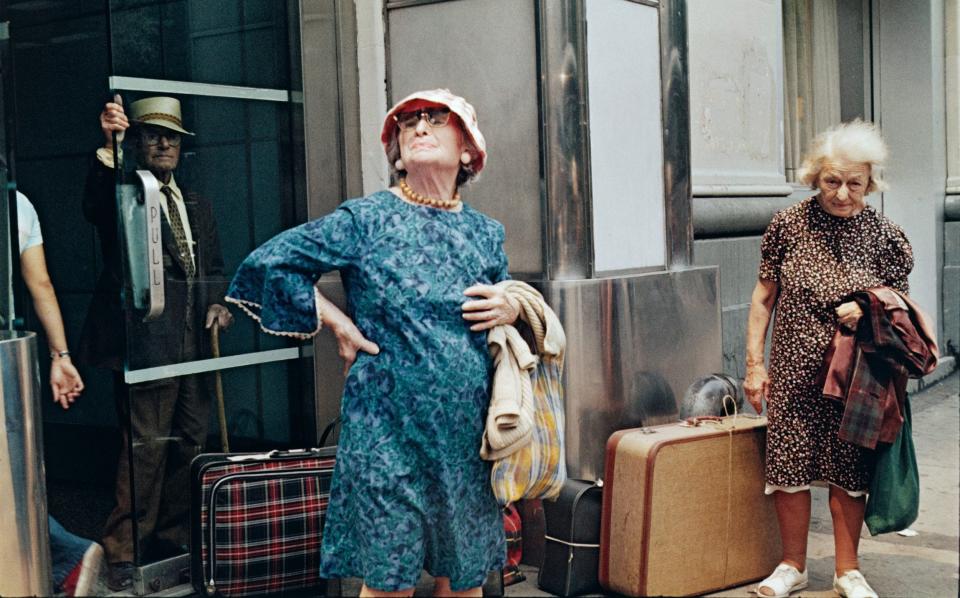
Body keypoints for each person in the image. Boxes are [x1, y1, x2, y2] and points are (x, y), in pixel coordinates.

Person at [226, 89, 518, 597]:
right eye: (407, 123)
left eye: (436, 118)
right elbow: (270, 263)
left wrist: (512, 305)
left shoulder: (485, 233)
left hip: (465, 436)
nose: (419, 127)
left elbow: (505, 315)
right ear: (397, 154)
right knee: (389, 582)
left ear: (469, 150)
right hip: (386, 433)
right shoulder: (366, 219)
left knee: (466, 578)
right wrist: (336, 320)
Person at [743, 120, 913, 598]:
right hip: (794, 369)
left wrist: (868, 305)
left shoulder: (886, 235)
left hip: (859, 374)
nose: (842, 193)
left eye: (854, 183)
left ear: (870, 183)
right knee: (789, 465)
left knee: (849, 466)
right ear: (815, 176)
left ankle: (847, 571)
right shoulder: (789, 225)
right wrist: (755, 365)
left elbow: (899, 302)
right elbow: (762, 298)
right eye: (831, 181)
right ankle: (792, 566)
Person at [78, 96, 233, 590]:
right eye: (153, 135)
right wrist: (109, 147)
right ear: (138, 143)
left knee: (190, 442)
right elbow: (95, 207)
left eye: (172, 137)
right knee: (143, 449)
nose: (164, 144)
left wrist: (220, 305)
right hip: (146, 342)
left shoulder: (196, 202)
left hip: (193, 344)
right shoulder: (126, 192)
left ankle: (170, 539)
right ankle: (123, 550)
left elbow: (210, 269)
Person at [13, 187, 102, 596]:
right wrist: (60, 354)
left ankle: (64, 554)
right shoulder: (18, 202)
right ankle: (64, 559)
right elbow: (40, 282)